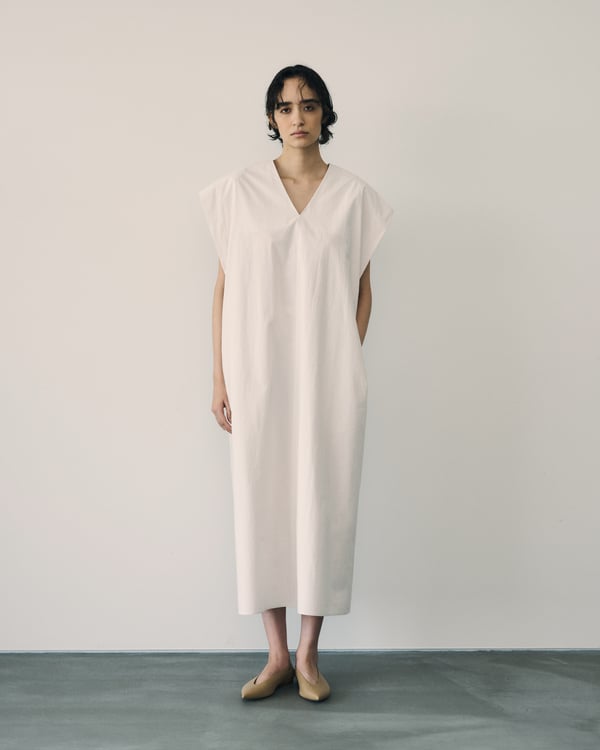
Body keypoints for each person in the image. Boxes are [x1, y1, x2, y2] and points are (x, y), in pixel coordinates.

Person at [198, 64, 394, 702]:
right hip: (256, 374)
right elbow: (224, 287)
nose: (297, 116)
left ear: (325, 113)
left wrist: (344, 360)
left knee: (322, 500)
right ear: (272, 117)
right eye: (285, 107)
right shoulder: (238, 192)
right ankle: (276, 655)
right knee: (264, 498)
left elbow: (362, 288)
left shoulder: (355, 197)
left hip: (327, 378)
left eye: (309, 105)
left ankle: (308, 655)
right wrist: (221, 376)